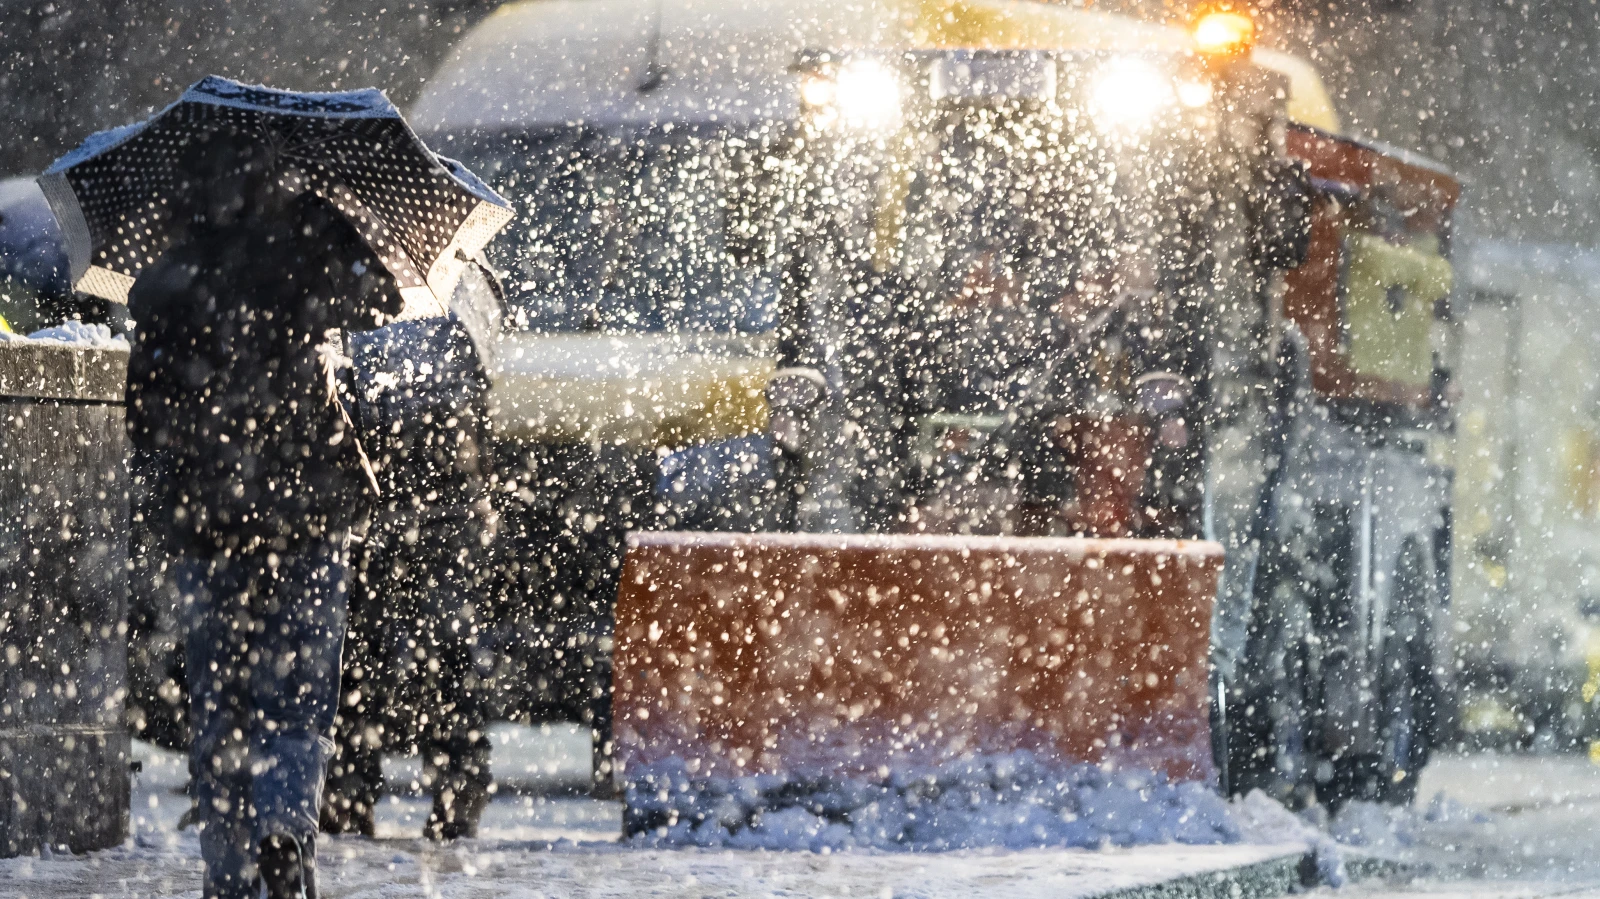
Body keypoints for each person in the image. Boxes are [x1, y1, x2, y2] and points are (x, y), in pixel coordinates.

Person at [125, 128, 401, 899]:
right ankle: (283, 830)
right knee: (299, 700)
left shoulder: (172, 279)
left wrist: (181, 485)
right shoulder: (310, 253)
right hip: (308, 519)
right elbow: (381, 298)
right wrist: (324, 224)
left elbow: (144, 420)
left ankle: (228, 868)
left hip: (208, 525)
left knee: (222, 702)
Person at [320, 269, 500, 840]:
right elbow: (477, 418)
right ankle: (455, 790)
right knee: (441, 657)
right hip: (436, 505)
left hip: (386, 504)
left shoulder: (353, 294)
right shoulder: (451, 296)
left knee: (364, 653)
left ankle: (351, 791)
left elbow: (343, 407)